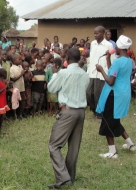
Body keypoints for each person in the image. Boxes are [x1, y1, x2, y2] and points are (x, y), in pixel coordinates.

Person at [47, 48, 89, 188]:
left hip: (68, 112)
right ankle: (70, 176)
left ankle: (63, 177)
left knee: (54, 145)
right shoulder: (84, 74)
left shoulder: (63, 73)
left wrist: (54, 75)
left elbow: (52, 89)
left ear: (67, 58)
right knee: (74, 147)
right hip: (81, 112)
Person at [95, 35, 136, 159]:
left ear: (118, 47)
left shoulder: (118, 62)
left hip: (114, 94)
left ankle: (112, 152)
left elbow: (111, 81)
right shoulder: (129, 61)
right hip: (123, 93)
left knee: (108, 121)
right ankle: (131, 145)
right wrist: (108, 59)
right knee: (115, 120)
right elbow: (113, 71)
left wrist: (101, 69)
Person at [86, 26, 114, 118]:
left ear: (102, 33)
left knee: (98, 94)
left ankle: (100, 114)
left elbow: (111, 60)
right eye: (94, 33)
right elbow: (91, 58)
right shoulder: (93, 43)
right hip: (92, 73)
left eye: (97, 33)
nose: (95, 35)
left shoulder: (108, 45)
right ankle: (94, 110)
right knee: (89, 93)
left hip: (102, 74)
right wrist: (88, 70)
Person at [10, 54, 26, 119]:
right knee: (15, 102)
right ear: (14, 61)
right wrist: (21, 74)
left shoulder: (20, 66)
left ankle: (20, 114)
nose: (20, 60)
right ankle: (15, 115)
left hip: (22, 87)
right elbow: (13, 79)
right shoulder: (12, 69)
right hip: (16, 88)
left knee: (22, 101)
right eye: (18, 59)